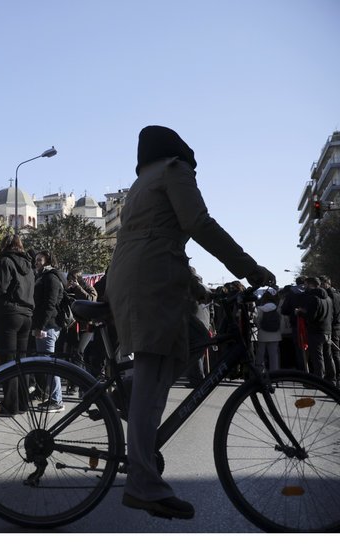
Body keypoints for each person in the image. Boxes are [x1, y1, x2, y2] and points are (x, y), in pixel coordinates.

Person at [106, 125, 275, 520]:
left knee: (195, 337)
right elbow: (198, 224)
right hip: (151, 279)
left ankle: (127, 390)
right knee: (154, 370)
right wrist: (248, 268)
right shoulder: (175, 168)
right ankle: (143, 483)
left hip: (138, 274)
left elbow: (158, 236)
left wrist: (197, 287)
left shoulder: (142, 180)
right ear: (183, 153)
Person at [0, 234, 34, 414]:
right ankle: (23, 403)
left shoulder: (5, 261)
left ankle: (11, 404)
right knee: (21, 362)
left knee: (8, 363)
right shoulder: (29, 265)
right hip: (26, 316)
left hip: (9, 316)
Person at [31, 250, 66, 411]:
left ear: (47, 261)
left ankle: (56, 400)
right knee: (46, 363)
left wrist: (41, 326)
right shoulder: (44, 276)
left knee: (49, 364)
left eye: (40, 260)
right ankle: (53, 398)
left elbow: (50, 304)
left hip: (48, 326)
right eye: (36, 259)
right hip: (46, 325)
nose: (36, 262)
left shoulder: (51, 277)